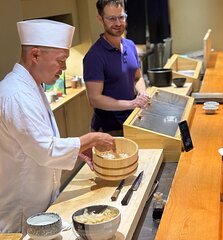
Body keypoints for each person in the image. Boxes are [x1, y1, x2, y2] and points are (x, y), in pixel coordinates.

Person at [0, 19, 116, 234]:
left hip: (41, 203)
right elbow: (45, 149)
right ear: (35, 55)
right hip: (22, 212)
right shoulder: (16, 94)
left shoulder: (31, 86)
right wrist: (89, 139)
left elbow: (39, 141)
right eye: (61, 60)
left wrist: (76, 148)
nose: (63, 68)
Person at [83, 0, 151, 136]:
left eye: (121, 17)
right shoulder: (94, 56)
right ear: (100, 18)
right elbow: (94, 99)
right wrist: (132, 103)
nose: (118, 23)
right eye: (111, 19)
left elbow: (137, 77)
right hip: (109, 129)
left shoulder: (130, 45)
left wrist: (142, 93)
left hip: (132, 121)